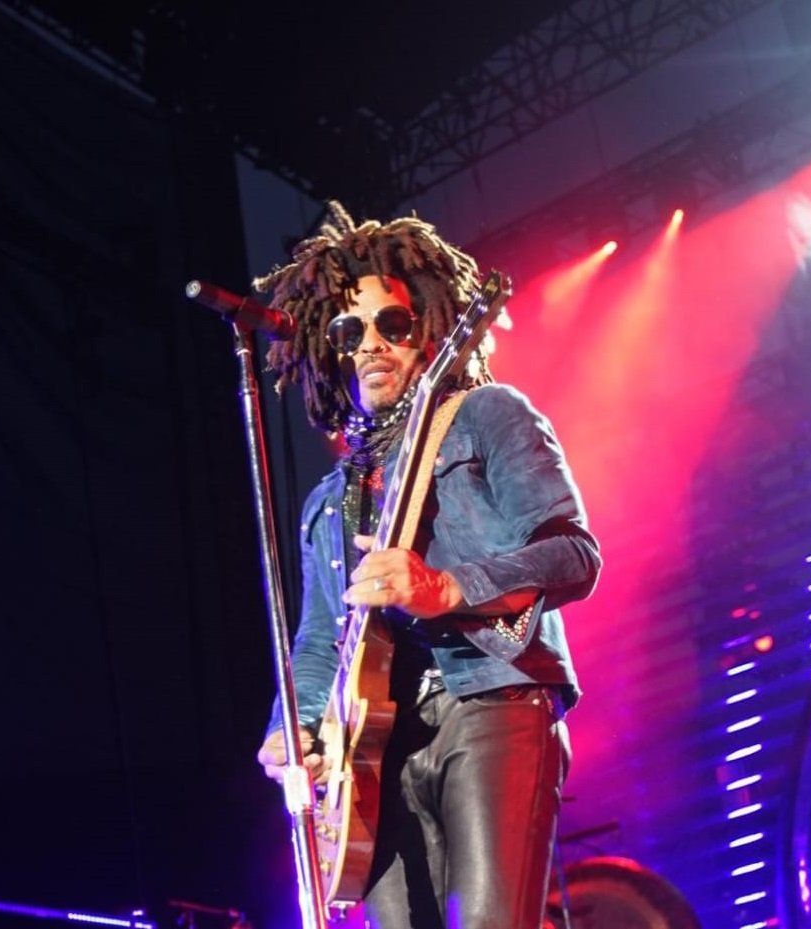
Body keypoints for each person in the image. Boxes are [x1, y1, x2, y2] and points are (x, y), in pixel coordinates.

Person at [255, 201, 601, 929]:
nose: (372, 344)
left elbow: (574, 554)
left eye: (393, 324)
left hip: (490, 702)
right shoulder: (327, 502)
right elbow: (318, 640)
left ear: (432, 329)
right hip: (372, 751)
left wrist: (445, 587)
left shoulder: (486, 415)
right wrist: (297, 724)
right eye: (350, 331)